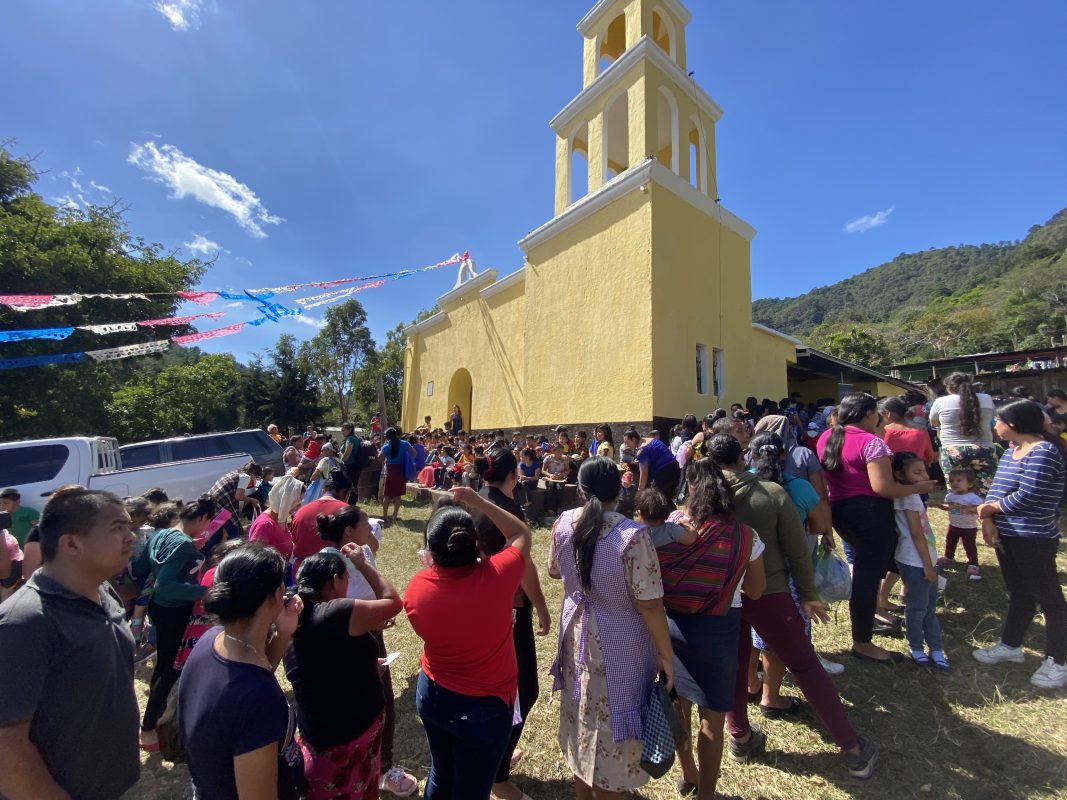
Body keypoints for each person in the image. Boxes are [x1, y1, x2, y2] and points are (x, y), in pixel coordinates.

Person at [708, 435, 878, 781]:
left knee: (738, 664)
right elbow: (798, 549)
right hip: (769, 590)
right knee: (805, 664)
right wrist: (809, 592)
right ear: (744, 457)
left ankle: (739, 732)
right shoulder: (771, 494)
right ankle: (853, 749)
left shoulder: (702, 495)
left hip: (722, 594)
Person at [0, 489, 140, 800]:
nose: (131, 536)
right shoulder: (24, 622)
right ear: (71, 543)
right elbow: (6, 750)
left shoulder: (104, 592)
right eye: (118, 527)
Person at [549, 457, 674, 800]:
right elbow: (649, 602)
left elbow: (554, 571)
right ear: (620, 491)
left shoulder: (562, 523)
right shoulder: (632, 536)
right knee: (613, 729)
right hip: (623, 644)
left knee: (582, 717)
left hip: (577, 636)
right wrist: (666, 653)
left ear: (579, 489)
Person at [404, 487, 531, 800]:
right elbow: (520, 532)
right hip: (486, 706)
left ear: (430, 551)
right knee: (473, 788)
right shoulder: (499, 575)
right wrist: (480, 502)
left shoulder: (416, 590)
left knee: (441, 772)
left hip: (433, 693)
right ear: (476, 541)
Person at [179, 543, 305, 799]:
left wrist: (283, 634)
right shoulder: (259, 698)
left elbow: (256, 670)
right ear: (277, 594)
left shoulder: (213, 640)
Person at [818, 393, 936, 663]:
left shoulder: (827, 437)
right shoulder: (872, 443)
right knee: (867, 578)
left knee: (865, 572)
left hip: (840, 511)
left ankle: (869, 623)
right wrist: (919, 487)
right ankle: (862, 641)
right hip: (870, 514)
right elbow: (883, 487)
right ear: (870, 414)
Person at [313, 506, 419, 797]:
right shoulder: (328, 564)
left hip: (372, 634)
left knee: (383, 698)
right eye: (365, 526)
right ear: (348, 531)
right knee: (362, 700)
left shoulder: (363, 554)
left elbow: (374, 595)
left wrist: (379, 618)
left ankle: (382, 764)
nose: (371, 532)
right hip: (346, 641)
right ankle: (370, 767)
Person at [287, 546, 404, 800]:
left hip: (324, 741)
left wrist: (365, 667)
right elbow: (394, 602)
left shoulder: (298, 617)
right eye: (346, 578)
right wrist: (362, 563)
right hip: (350, 741)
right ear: (333, 581)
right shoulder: (336, 612)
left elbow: (321, 668)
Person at [473, 446, 552, 800]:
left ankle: (497, 758)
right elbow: (524, 567)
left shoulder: (476, 502)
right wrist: (542, 607)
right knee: (523, 690)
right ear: (512, 475)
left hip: (481, 606)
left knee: (498, 689)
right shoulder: (507, 509)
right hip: (510, 611)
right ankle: (498, 776)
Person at [973, 400, 1067, 689]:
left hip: (1033, 536)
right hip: (1008, 533)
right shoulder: (1011, 451)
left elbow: (1028, 496)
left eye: (997, 421)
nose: (994, 426)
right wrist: (988, 519)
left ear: (1012, 423)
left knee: (1049, 597)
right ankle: (1011, 645)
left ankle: (1059, 660)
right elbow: (997, 489)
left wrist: (989, 511)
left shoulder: (1044, 451)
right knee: (1019, 591)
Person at [746, 431, 841, 679]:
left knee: (751, 630)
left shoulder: (742, 485)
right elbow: (819, 526)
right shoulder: (800, 487)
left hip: (748, 572)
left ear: (751, 455)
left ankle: (751, 683)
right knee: (790, 630)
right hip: (790, 570)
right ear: (783, 455)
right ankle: (777, 690)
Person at [134, 496, 217, 750]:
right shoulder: (183, 546)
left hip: (157, 609)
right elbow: (166, 585)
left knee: (164, 666)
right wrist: (201, 591)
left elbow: (140, 567)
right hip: (174, 612)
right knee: (168, 669)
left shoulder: (162, 534)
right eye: (208, 523)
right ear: (203, 519)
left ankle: (158, 717)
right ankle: (148, 729)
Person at [891, 452, 949, 670]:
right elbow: (916, 534)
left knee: (929, 606)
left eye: (924, 470)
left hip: (923, 560)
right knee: (918, 608)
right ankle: (916, 646)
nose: (924, 475)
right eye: (917, 472)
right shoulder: (908, 497)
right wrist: (928, 566)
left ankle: (935, 647)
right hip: (916, 561)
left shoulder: (913, 496)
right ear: (899, 475)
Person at [929, 372, 998, 494]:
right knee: (987, 491)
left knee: (957, 491)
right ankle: (985, 512)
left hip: (952, 450)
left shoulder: (940, 402)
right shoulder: (986, 399)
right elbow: (992, 419)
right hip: (984, 448)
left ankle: (959, 512)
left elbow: (934, 423)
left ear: (949, 387)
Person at [291, 468, 352, 572]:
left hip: (300, 572)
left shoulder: (301, 512)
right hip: (331, 573)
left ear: (323, 490)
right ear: (345, 493)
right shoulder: (346, 511)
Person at [937, 468, 985, 579]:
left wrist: (968, 508)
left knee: (969, 545)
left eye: (959, 480)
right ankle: (948, 557)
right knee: (950, 541)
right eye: (952, 481)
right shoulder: (950, 496)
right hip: (953, 525)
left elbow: (979, 509)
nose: (955, 483)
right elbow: (949, 508)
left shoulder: (973, 498)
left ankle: (973, 563)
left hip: (968, 527)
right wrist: (939, 505)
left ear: (970, 483)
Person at [248, 473, 305, 563]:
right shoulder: (265, 525)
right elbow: (257, 559)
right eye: (297, 502)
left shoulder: (282, 517)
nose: (299, 506)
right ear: (286, 500)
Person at [209, 460, 263, 541]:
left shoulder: (235, 473)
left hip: (214, 504)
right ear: (253, 473)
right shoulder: (246, 477)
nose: (254, 479)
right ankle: (235, 547)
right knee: (235, 532)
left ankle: (211, 550)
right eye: (256, 476)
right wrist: (253, 500)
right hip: (222, 506)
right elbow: (238, 496)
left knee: (214, 530)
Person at [625, 428, 682, 499]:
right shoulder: (651, 440)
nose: (626, 445)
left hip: (663, 472)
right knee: (667, 498)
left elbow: (644, 474)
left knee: (657, 498)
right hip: (675, 467)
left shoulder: (641, 449)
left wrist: (639, 492)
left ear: (633, 439)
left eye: (627, 442)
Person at [879, 396, 935, 465]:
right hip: (916, 473)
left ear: (888, 414)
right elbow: (929, 458)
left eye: (880, 415)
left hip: (888, 473)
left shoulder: (882, 432)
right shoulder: (922, 433)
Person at [379, 427, 413, 525]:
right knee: (397, 495)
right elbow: (413, 454)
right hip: (401, 471)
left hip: (390, 471)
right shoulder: (405, 444)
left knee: (387, 495)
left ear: (387, 437)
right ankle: (394, 516)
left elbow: (380, 458)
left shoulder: (386, 446)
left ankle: (385, 516)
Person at [542, 442, 570, 516]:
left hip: (560, 478)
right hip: (551, 479)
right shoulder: (548, 458)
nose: (560, 453)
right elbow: (543, 470)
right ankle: (550, 508)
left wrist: (562, 475)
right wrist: (550, 475)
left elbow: (568, 470)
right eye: (558, 451)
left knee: (559, 488)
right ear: (553, 451)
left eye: (561, 451)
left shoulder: (564, 458)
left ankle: (559, 507)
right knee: (550, 488)